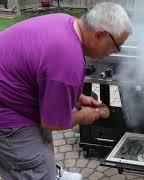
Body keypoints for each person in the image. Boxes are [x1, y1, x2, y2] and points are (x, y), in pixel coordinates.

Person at [0, 2, 132, 180]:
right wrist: (82, 117)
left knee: (44, 145)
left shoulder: (68, 22)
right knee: (32, 167)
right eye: (116, 46)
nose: (115, 52)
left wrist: (78, 97)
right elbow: (53, 122)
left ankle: (52, 173)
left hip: (16, 91)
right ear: (99, 35)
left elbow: (47, 76)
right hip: (7, 112)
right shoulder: (68, 60)